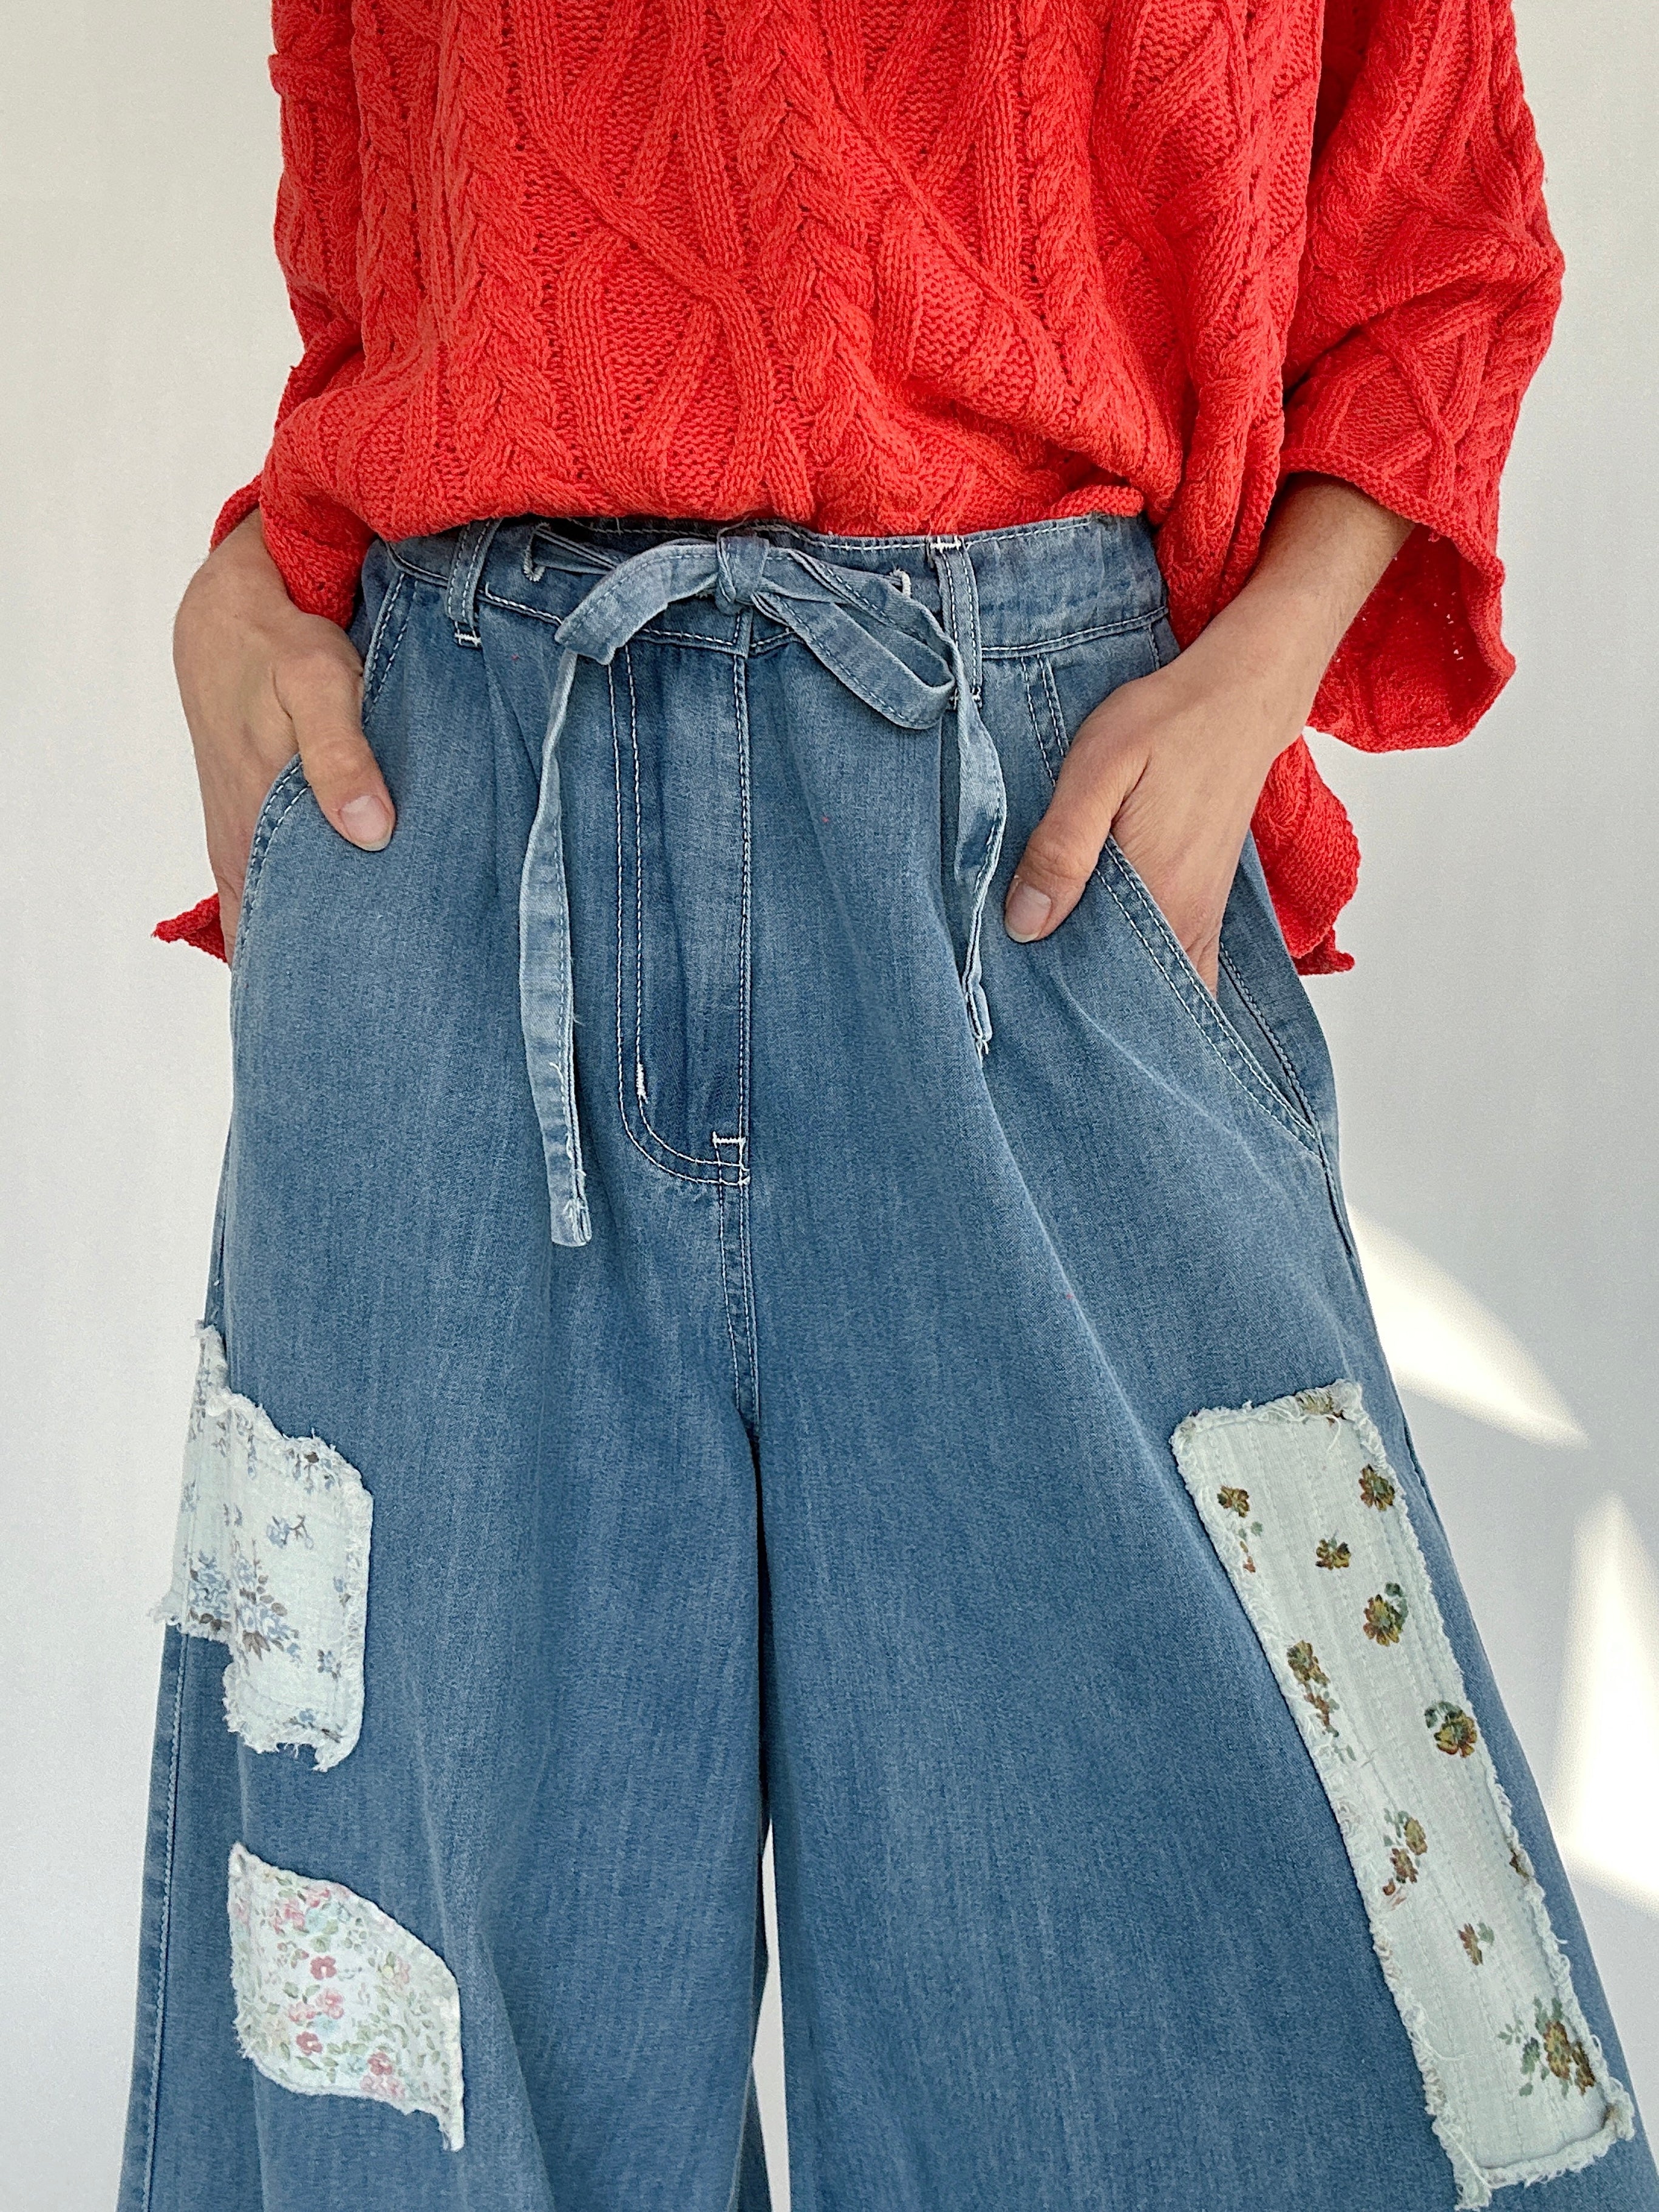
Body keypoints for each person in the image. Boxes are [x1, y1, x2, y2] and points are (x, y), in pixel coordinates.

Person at [120, 5, 1658, 2209]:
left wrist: (1258, 661)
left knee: (1249, 2011)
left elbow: (1434, 225)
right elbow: (394, 242)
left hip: (1034, 821)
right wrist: (237, 582)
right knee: (414, 2039)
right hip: (458, 829)